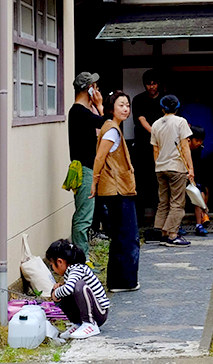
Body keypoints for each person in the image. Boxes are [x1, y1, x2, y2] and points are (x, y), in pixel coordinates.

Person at [91, 90, 141, 291]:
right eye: (121, 105)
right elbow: (99, 158)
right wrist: (94, 182)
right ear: (112, 108)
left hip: (116, 189)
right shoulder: (112, 130)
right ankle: (124, 281)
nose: (126, 109)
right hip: (118, 189)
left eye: (127, 105)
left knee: (121, 236)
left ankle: (118, 281)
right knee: (127, 236)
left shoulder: (110, 126)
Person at [67, 72, 106, 256]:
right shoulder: (79, 112)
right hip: (84, 169)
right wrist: (100, 106)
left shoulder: (80, 112)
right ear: (89, 89)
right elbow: (106, 124)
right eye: (95, 87)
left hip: (83, 168)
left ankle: (82, 256)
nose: (98, 91)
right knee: (84, 217)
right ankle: (81, 259)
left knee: (84, 214)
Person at [150, 94, 194, 246]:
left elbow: (155, 149)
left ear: (162, 108)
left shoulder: (155, 124)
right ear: (177, 107)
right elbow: (185, 147)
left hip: (160, 167)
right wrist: (190, 167)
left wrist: (158, 164)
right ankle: (172, 234)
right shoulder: (181, 122)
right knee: (177, 202)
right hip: (176, 167)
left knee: (163, 201)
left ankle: (162, 233)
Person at [46, 238, 109, 339]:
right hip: (92, 311)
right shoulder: (70, 271)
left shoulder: (77, 269)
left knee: (79, 286)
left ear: (60, 261)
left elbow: (69, 289)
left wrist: (55, 294)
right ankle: (78, 324)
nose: (52, 268)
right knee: (62, 290)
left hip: (99, 313)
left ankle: (90, 324)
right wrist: (58, 289)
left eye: (52, 264)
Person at [130, 70, 164, 226]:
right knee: (141, 183)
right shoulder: (138, 99)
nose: (152, 87)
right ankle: (139, 219)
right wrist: (155, 133)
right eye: (149, 84)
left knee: (160, 183)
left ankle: (160, 219)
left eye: (154, 83)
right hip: (143, 147)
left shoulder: (164, 99)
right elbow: (141, 119)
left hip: (162, 147)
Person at [187, 125, 210, 235]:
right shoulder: (184, 148)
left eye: (201, 141)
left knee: (200, 195)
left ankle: (199, 224)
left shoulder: (201, 149)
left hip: (196, 175)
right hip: (183, 175)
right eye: (196, 140)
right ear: (189, 139)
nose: (199, 143)